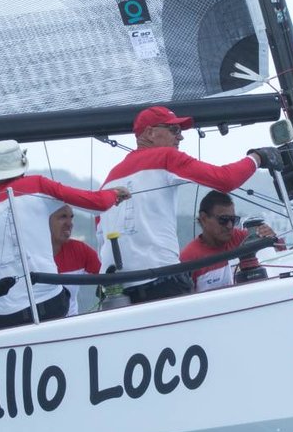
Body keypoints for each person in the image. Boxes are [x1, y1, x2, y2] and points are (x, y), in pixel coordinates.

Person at [101, 105, 278, 303]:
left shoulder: (108, 181)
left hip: (116, 291)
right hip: (161, 282)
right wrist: (258, 157)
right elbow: (226, 180)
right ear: (150, 133)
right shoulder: (165, 156)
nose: (180, 137)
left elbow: (101, 233)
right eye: (174, 130)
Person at [0, 140, 128, 333]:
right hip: (51, 306)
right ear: (21, 168)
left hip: (1, 317)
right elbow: (97, 203)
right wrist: (113, 194)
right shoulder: (37, 185)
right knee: (61, 297)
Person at [179, 192, 283, 292]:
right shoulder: (188, 258)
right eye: (223, 220)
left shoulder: (243, 238)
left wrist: (271, 236)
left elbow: (281, 252)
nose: (229, 226)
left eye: (233, 220)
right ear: (204, 219)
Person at [50, 203, 100, 316]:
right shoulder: (29, 254)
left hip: (72, 326)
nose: (69, 224)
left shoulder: (80, 250)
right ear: (46, 220)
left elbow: (107, 276)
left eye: (71, 217)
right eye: (63, 217)